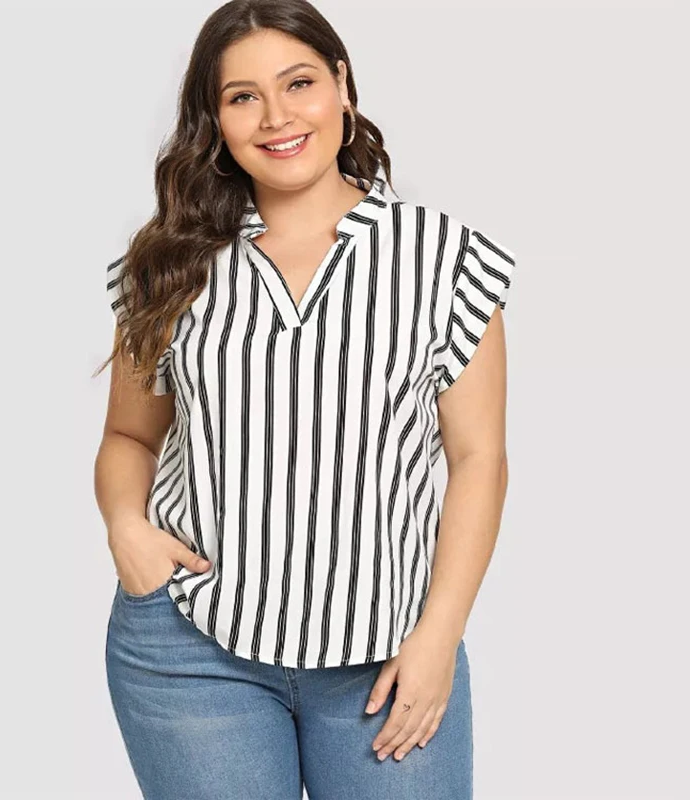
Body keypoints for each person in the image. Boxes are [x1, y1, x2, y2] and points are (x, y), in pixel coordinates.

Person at [94, 1, 516, 798]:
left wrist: (440, 637)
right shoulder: (170, 264)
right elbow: (129, 438)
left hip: (388, 657)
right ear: (214, 120)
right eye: (243, 96)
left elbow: (478, 459)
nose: (276, 117)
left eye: (299, 84)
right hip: (190, 652)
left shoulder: (445, 259)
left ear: (342, 86)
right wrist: (127, 529)